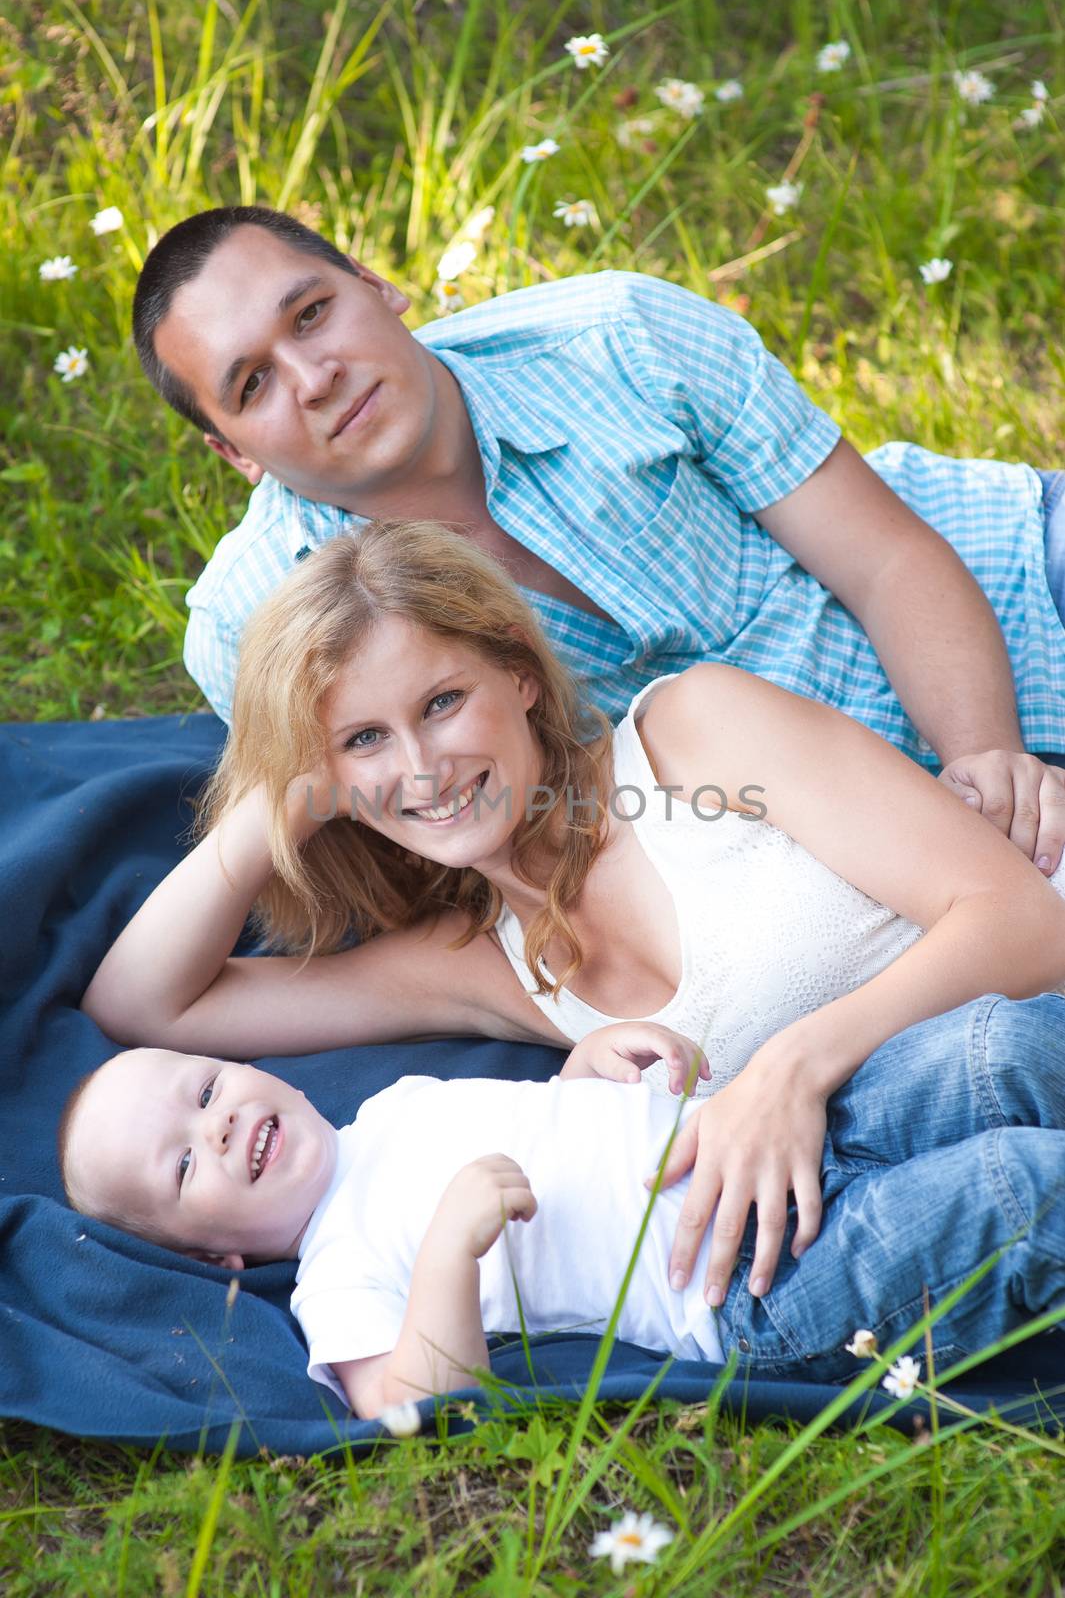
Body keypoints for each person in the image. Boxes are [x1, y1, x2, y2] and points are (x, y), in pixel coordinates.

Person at [81, 520, 1065, 1316]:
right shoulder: (473, 963)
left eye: (443, 701)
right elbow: (146, 1004)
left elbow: (1022, 920)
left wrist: (788, 1068)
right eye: (366, 738)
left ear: (516, 671)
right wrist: (272, 803)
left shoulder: (694, 737)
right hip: (958, 1172)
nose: (422, 770)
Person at [131, 206, 1065, 872]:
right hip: (831, 846)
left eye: (313, 313)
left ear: (376, 286)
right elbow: (446, 847)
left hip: (1005, 595)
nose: (315, 375)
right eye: (252, 384)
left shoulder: (616, 336)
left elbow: (885, 556)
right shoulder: (253, 623)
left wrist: (985, 757)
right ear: (232, 452)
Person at [57, 993, 1065, 1422]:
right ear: (217, 1260)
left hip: (771, 1137)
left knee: (991, 1050)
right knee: (1007, 1191)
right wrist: (451, 1249)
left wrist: (592, 1071)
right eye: (185, 1168)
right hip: (756, 1281)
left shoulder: (393, 1105)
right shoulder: (336, 1275)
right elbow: (410, 1404)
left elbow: (553, 1124)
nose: (221, 1129)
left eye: (203, 1093)